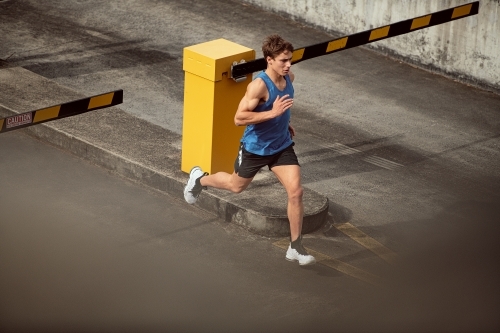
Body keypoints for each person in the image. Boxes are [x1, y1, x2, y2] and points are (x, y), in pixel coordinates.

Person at [184, 34, 315, 266]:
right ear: (269, 60)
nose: (288, 65)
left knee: (296, 193)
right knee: (236, 187)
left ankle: (296, 246)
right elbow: (238, 118)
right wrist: (272, 114)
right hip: (255, 148)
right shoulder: (258, 86)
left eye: (290, 60)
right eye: (283, 60)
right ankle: (199, 180)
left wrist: (283, 121)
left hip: (281, 145)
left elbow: (280, 107)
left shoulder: (289, 78)